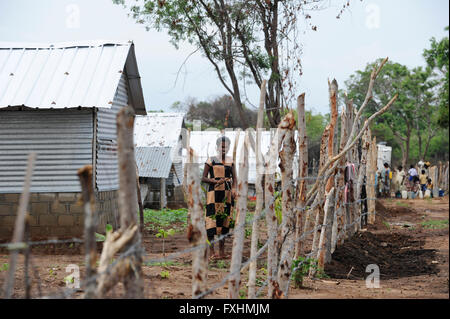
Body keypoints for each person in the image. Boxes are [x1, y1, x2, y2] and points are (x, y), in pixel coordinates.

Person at [201, 136, 237, 260]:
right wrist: (214, 181)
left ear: (228, 147)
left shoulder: (230, 161)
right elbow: (203, 177)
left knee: (224, 221)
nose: (223, 148)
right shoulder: (211, 160)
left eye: (226, 146)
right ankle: (212, 252)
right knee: (211, 221)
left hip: (226, 195)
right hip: (213, 194)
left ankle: (221, 251)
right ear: (217, 147)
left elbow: (235, 178)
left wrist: (234, 189)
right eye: (221, 146)